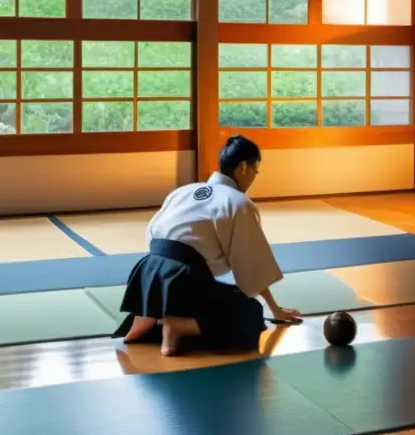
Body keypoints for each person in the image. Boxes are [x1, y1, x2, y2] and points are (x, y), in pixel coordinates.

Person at [113, 135, 301, 356]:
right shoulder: (237, 202)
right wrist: (274, 309)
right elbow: (252, 265)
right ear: (243, 167)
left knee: (218, 292)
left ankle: (148, 318)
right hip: (183, 279)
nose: (254, 178)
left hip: (146, 274)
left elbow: (153, 234)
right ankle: (178, 326)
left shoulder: (183, 191)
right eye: (254, 171)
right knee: (250, 313)